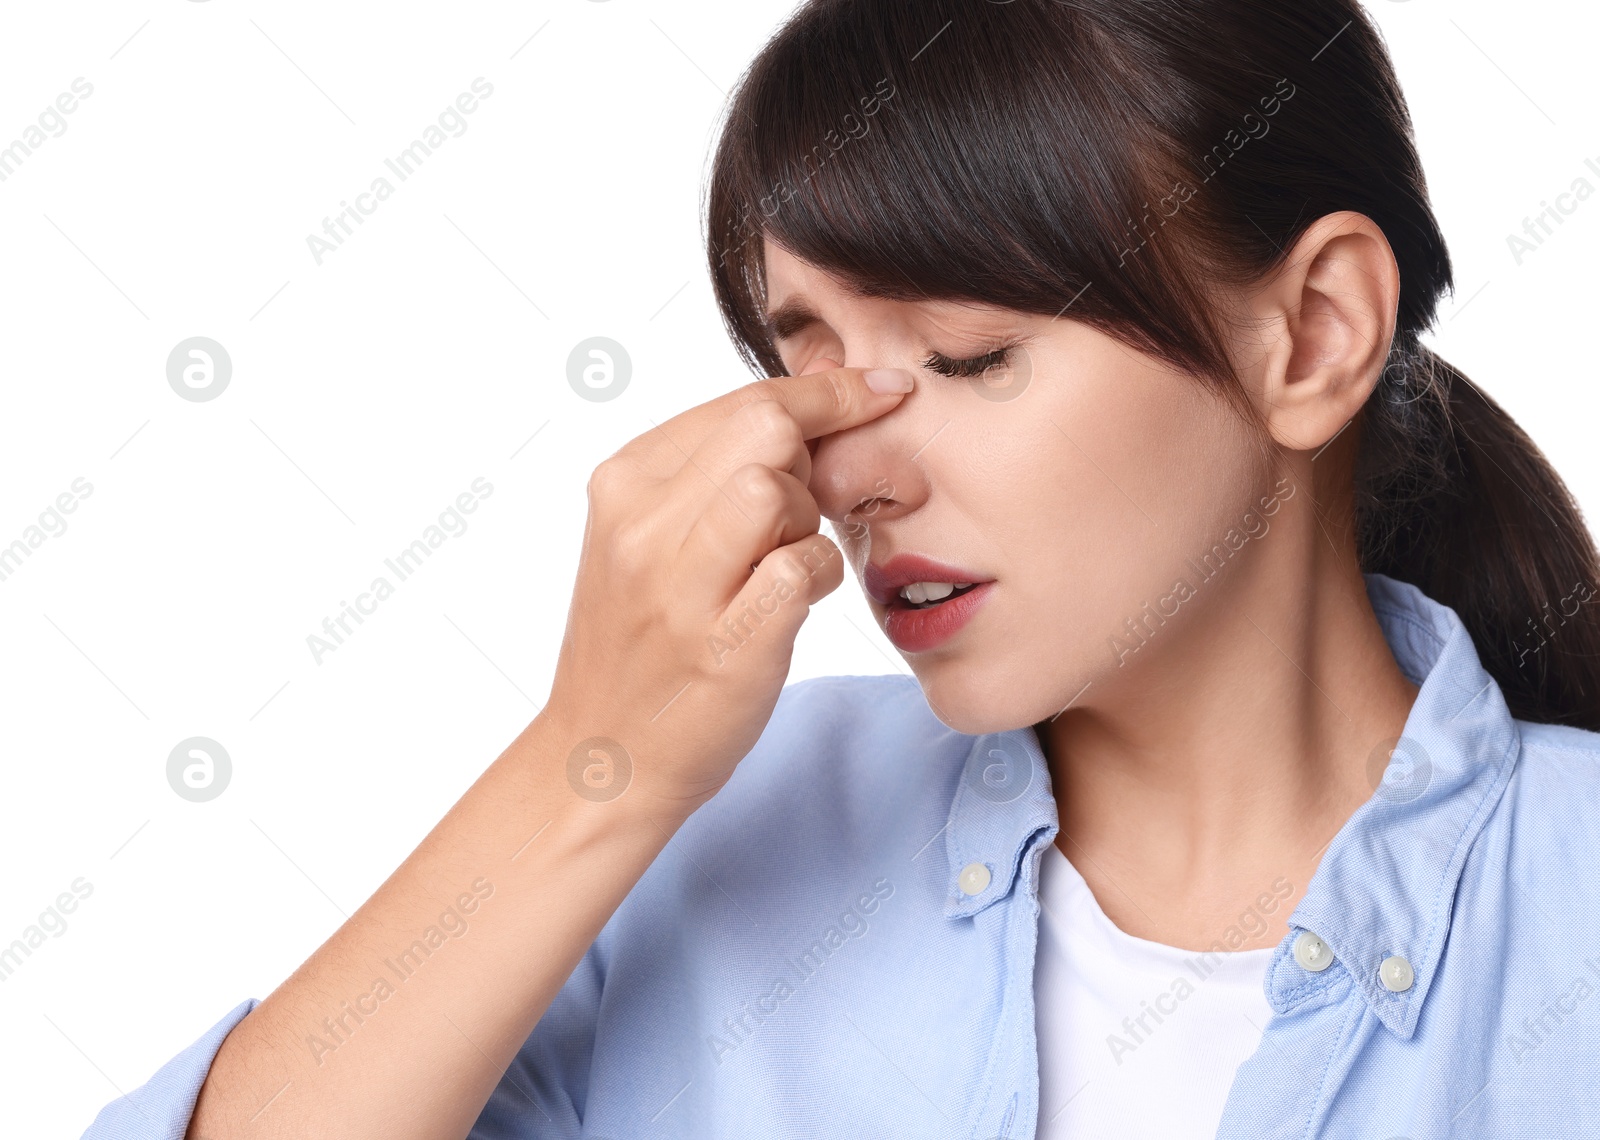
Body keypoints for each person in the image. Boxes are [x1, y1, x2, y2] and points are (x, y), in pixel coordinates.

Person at [82, 1, 1600, 1137]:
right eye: (801, 362)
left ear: (1316, 331)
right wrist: (589, 765)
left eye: (965, 352)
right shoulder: (725, 840)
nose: (851, 468)